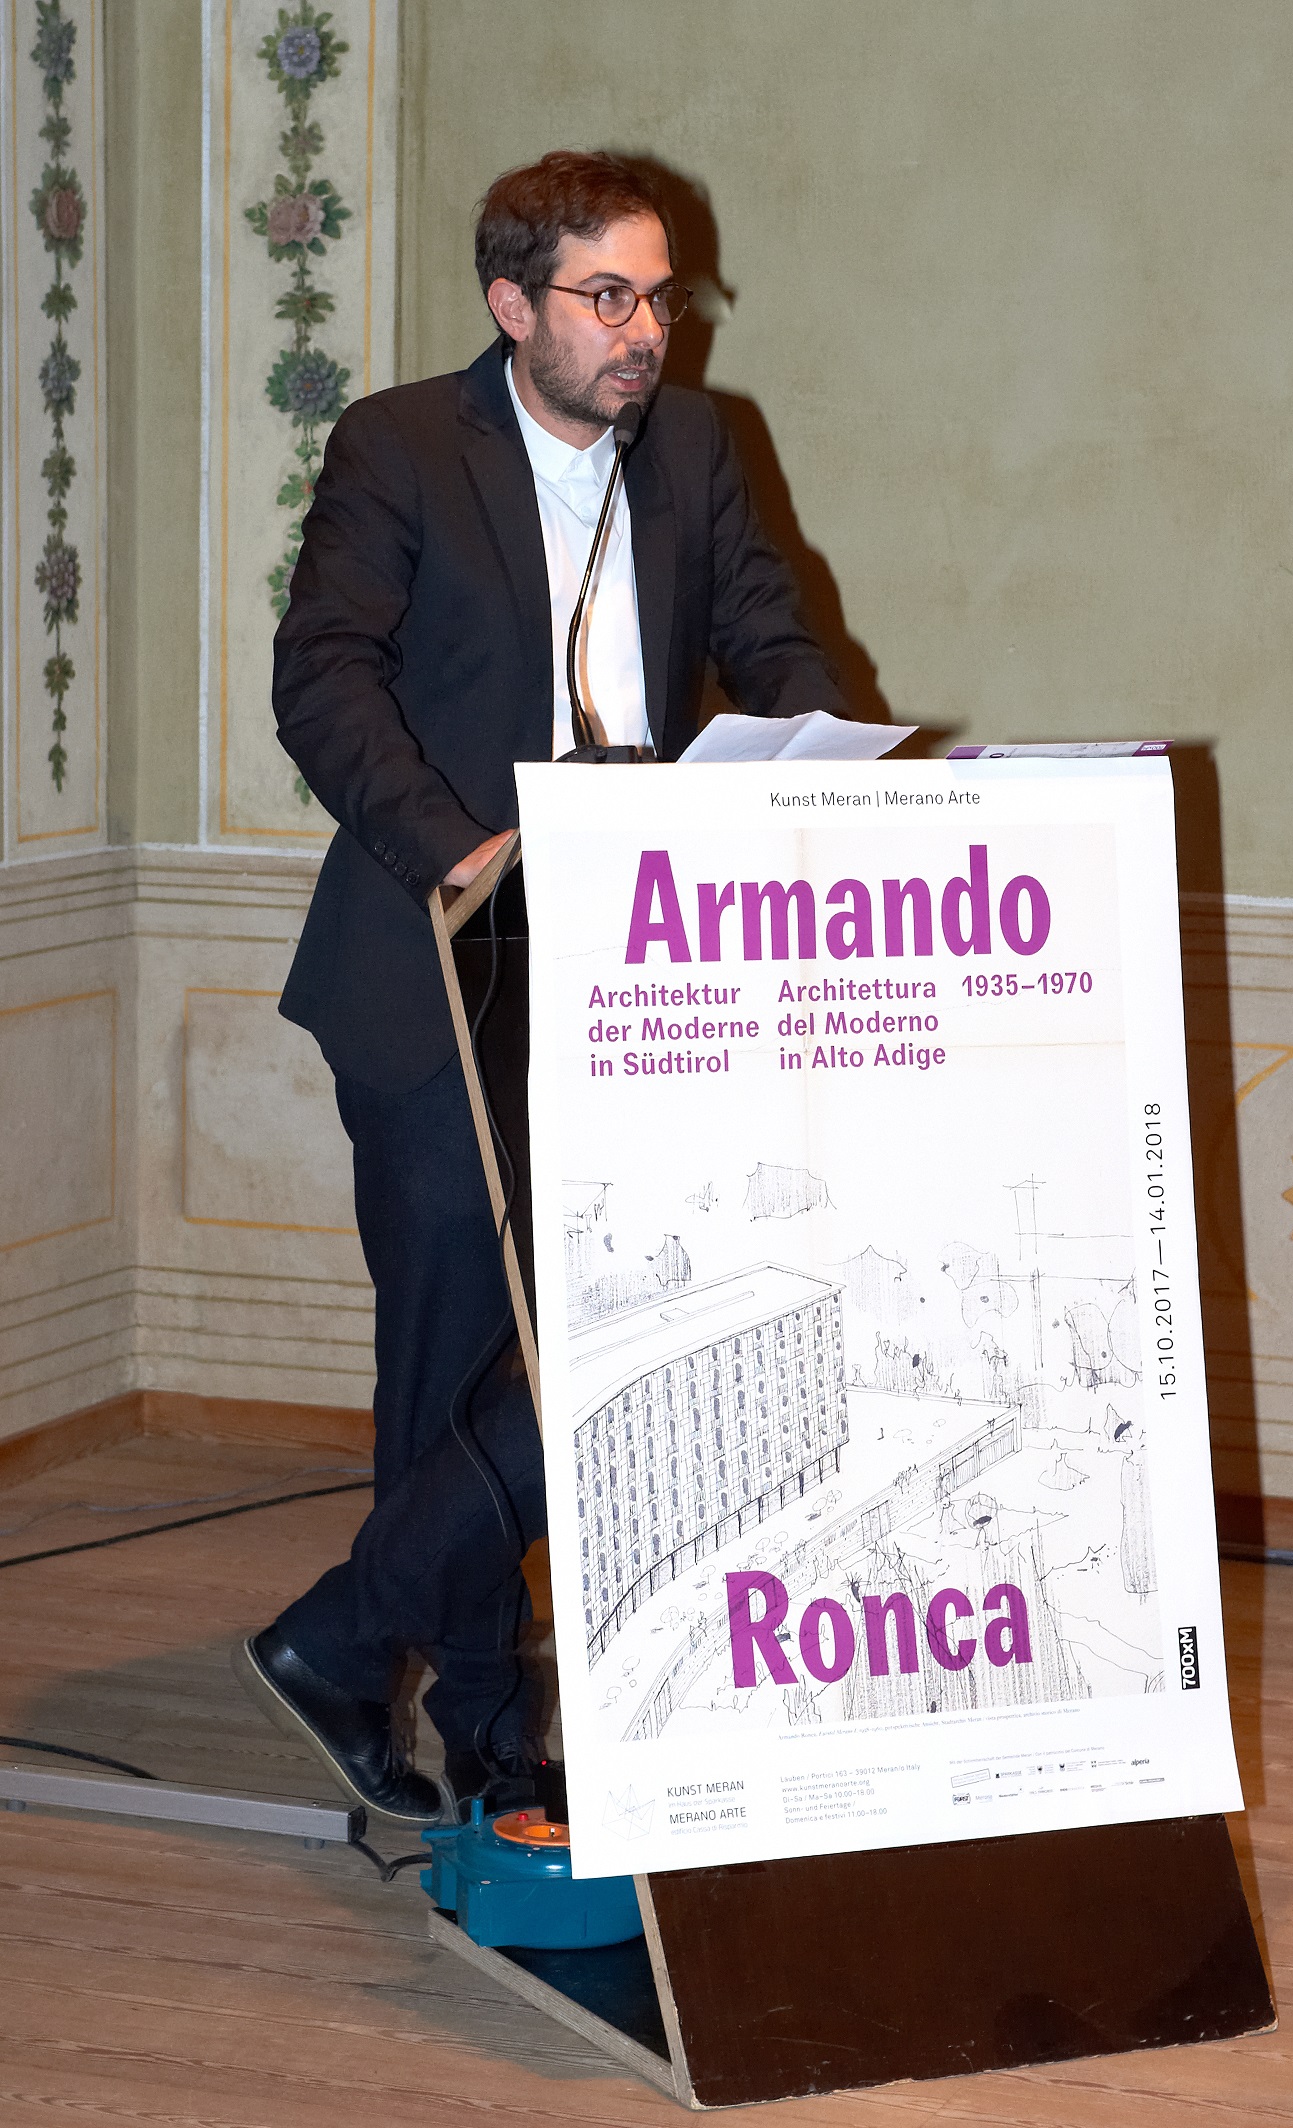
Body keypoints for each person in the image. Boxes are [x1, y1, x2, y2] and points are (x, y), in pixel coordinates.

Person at [235, 151, 849, 1825]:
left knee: (626, 1334)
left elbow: (771, 641)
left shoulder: (698, 446)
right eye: (610, 297)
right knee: (452, 1359)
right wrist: (462, 854)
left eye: (663, 298)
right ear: (515, 306)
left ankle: (343, 1639)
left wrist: (834, 769)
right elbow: (322, 678)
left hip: (641, 975)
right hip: (441, 964)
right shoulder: (401, 447)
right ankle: (489, 1735)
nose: (648, 331)